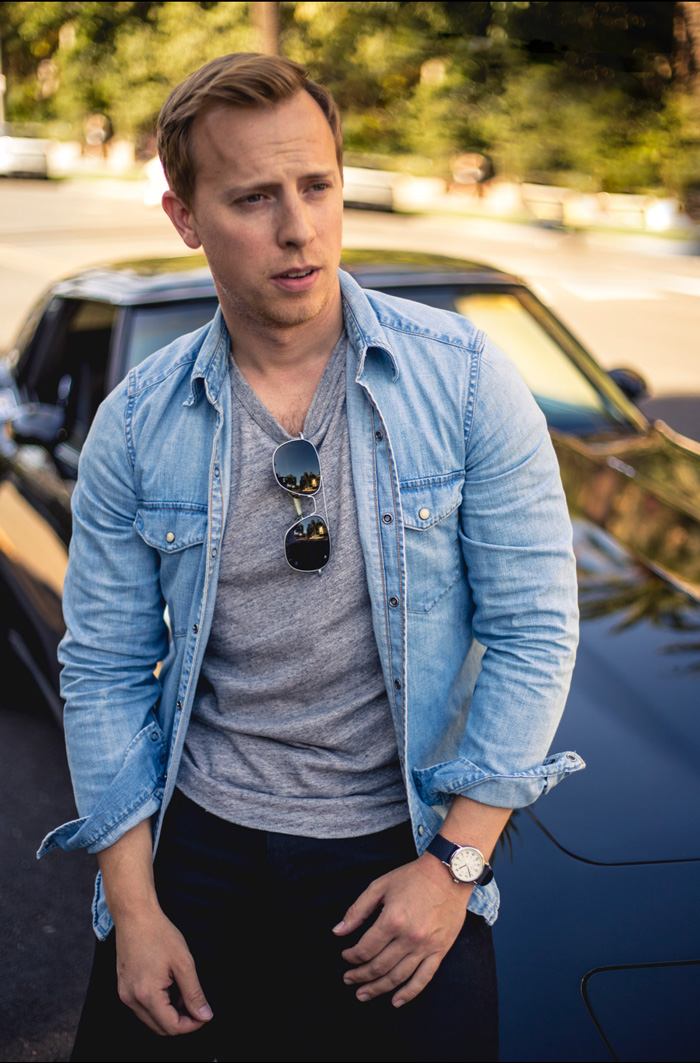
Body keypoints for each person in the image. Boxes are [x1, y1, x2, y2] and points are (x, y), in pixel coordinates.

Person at [39, 53, 582, 1063]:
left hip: (402, 844)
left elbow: (535, 626)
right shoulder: (138, 422)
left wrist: (456, 862)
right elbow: (104, 669)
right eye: (252, 197)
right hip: (198, 844)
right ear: (185, 218)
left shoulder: (462, 382)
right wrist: (133, 907)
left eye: (317, 186)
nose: (298, 229)